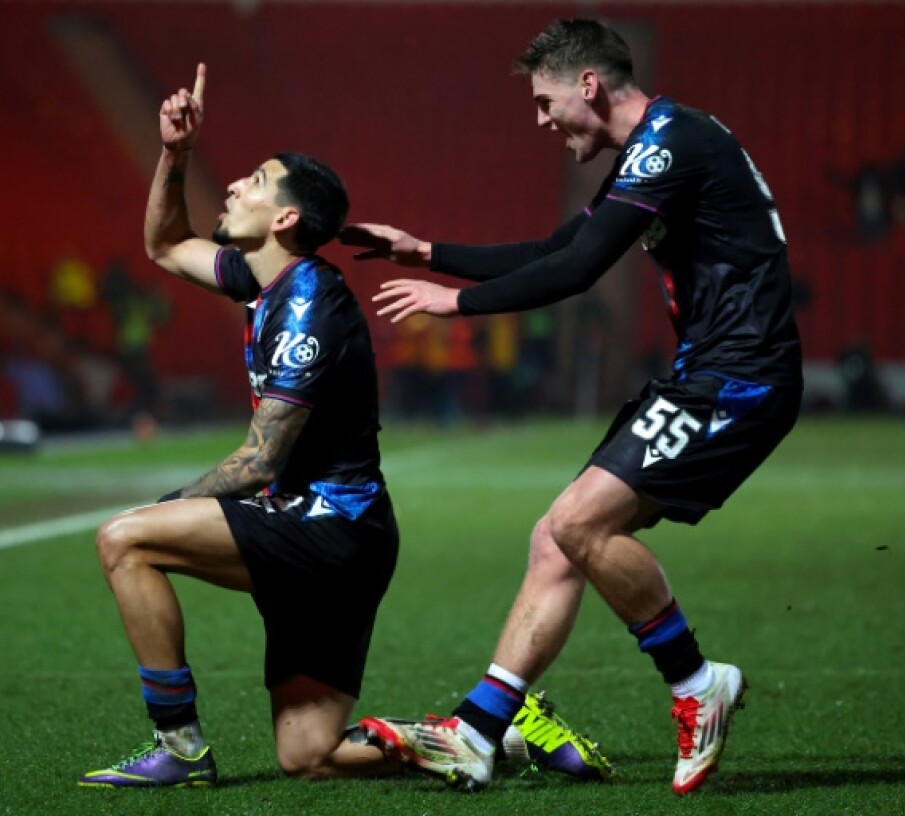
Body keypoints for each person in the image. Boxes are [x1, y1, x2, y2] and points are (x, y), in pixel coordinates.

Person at [76, 62, 609, 788]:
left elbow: (262, 460)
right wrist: (175, 155)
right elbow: (166, 246)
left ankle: (182, 748)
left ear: (286, 219)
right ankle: (502, 737)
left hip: (331, 533)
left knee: (125, 539)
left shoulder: (308, 306)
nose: (233, 186)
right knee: (309, 756)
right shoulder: (264, 281)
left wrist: (167, 510)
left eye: (255, 182)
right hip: (328, 533)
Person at [343, 18, 803, 795]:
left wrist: (454, 303)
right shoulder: (656, 148)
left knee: (580, 524)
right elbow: (563, 246)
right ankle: (479, 731)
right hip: (710, 372)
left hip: (738, 376)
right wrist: (428, 251)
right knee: (556, 540)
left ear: (587, 84)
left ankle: (697, 684)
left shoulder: (671, 142)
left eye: (543, 100)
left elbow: (580, 270)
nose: (541, 120)